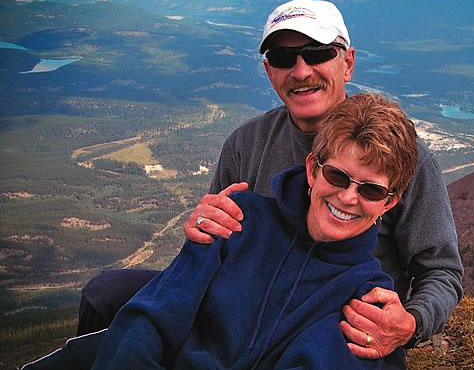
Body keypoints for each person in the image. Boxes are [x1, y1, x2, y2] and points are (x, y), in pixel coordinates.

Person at [77, 0, 464, 367]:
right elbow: (214, 237)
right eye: (282, 58)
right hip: (240, 298)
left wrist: (410, 323)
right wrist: (203, 225)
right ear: (268, 71)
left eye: (317, 53)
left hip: (331, 315)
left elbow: (441, 269)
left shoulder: (399, 157)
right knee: (106, 294)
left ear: (347, 63)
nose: (300, 71)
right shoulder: (248, 143)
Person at [23, 93, 419, 369]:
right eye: (337, 175)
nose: (348, 197)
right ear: (314, 169)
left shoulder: (367, 297)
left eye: (369, 189)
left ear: (388, 203)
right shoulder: (235, 219)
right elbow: (156, 314)